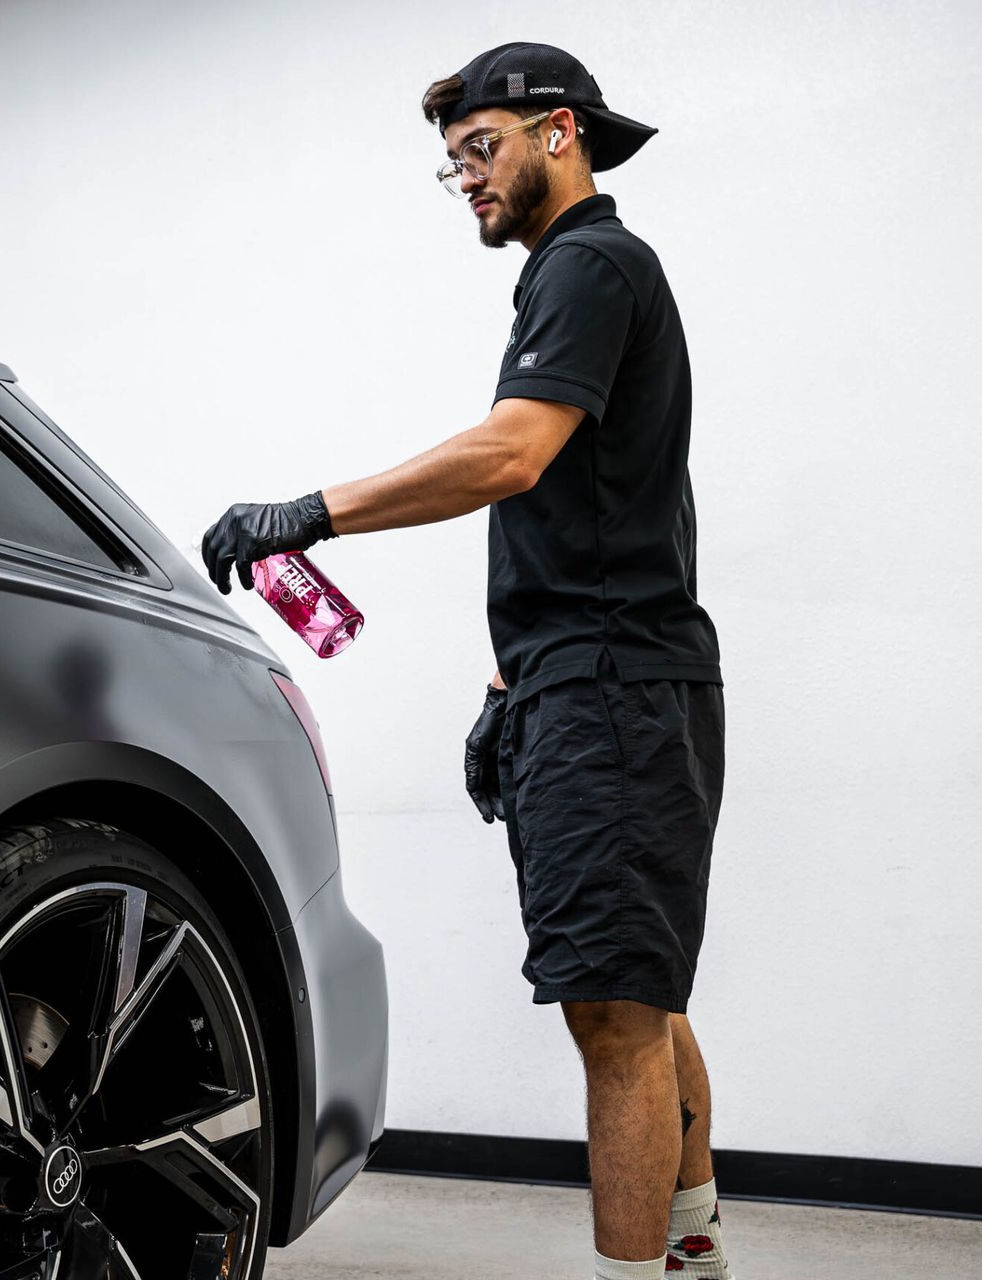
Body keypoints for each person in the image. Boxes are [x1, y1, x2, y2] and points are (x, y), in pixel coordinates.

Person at [200, 41, 731, 1280]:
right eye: (452, 168)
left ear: (560, 133)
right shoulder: (578, 273)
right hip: (586, 673)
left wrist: (310, 511)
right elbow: (599, 504)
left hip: (615, 684)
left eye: (481, 151)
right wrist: (517, 676)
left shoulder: (591, 260)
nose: (468, 181)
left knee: (614, 1014)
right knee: (640, 998)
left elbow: (511, 455)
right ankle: (694, 1248)